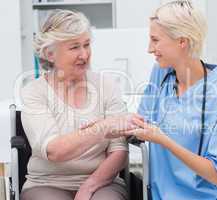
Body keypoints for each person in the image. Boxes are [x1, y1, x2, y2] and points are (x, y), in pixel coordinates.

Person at [122, 1, 217, 199]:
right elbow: (141, 122)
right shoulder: (161, 73)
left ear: (182, 41)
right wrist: (108, 123)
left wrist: (163, 140)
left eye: (155, 40)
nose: (149, 49)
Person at [20, 9, 137, 200]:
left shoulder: (107, 85)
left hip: (103, 183)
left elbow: (119, 151)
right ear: (50, 54)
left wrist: (89, 186)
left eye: (87, 45)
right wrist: (103, 126)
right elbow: (55, 151)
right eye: (74, 47)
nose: (84, 54)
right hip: (47, 183)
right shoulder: (35, 92)